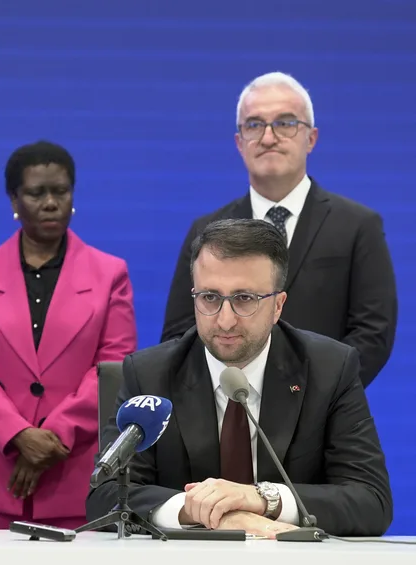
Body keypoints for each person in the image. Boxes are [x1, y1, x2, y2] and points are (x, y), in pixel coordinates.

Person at [87, 219, 392, 538]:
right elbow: (104, 494)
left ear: (278, 305)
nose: (225, 320)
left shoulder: (329, 369)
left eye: (244, 298)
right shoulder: (150, 374)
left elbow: (371, 500)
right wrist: (200, 512)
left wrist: (263, 499)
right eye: (209, 297)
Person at [0, 140, 137, 529]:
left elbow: (113, 367)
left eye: (60, 191)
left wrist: (53, 436)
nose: (50, 203)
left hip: (75, 473)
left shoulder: (110, 273)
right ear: (14, 199)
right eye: (36, 193)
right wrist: (18, 435)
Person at [160, 72, 397, 388]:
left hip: (324, 409)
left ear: (311, 138)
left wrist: (316, 394)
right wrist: (230, 388)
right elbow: (178, 334)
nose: (269, 138)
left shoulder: (357, 225)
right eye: (254, 125)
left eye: (285, 123)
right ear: (239, 142)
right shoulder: (206, 231)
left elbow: (373, 333)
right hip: (228, 404)